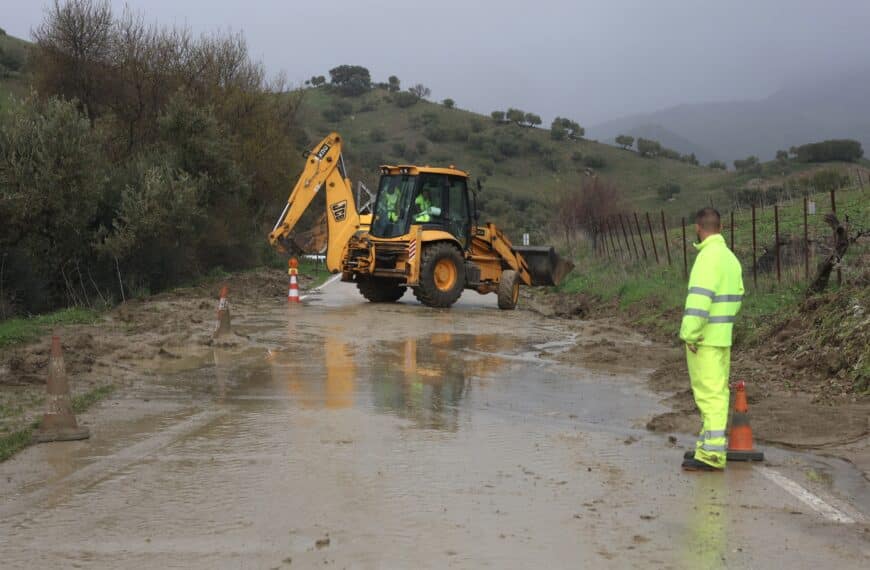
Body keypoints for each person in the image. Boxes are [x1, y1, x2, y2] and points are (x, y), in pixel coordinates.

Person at [680, 207, 744, 472]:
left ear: (698, 228)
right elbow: (737, 297)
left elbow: (699, 301)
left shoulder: (707, 258)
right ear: (721, 227)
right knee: (716, 393)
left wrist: (690, 334)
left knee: (710, 397)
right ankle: (706, 447)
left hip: (704, 339)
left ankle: (711, 454)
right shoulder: (730, 258)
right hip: (722, 337)